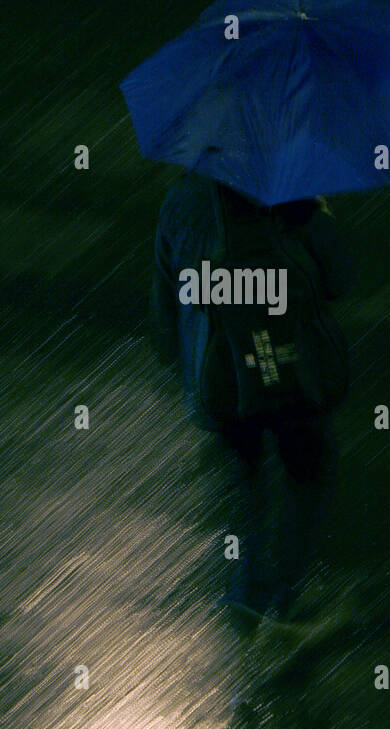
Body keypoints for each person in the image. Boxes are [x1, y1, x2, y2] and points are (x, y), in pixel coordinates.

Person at [150, 170, 355, 628]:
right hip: (292, 373)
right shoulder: (293, 189)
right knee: (309, 470)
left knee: (244, 488)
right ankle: (288, 597)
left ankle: (245, 595)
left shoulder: (184, 199)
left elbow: (167, 296)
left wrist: (180, 352)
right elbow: (340, 278)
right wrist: (318, 218)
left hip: (222, 378)